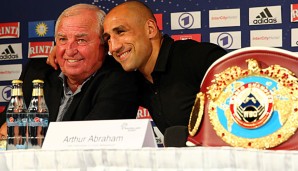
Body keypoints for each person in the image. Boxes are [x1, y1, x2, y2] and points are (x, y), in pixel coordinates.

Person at [47, 1, 227, 135]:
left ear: (150, 29)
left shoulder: (198, 57)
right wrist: (65, 50)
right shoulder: (134, 79)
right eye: (108, 38)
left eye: (121, 32)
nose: (114, 47)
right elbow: (97, 65)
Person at [0, 4, 140, 136]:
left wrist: (29, 135)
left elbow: (89, 138)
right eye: (62, 39)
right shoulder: (36, 72)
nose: (70, 50)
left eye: (81, 40)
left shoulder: (121, 78)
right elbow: (4, 129)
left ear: (104, 44)